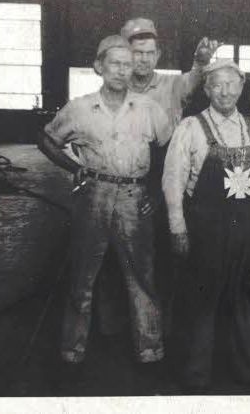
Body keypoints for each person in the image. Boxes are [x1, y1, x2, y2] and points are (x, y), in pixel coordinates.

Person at [37, 35, 171, 368]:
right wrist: (74, 167)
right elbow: (45, 138)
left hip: (134, 196)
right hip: (93, 196)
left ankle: (150, 350)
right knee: (83, 277)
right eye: (115, 63)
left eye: (128, 64)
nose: (122, 71)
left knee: (142, 277)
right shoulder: (80, 107)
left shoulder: (148, 108)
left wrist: (154, 193)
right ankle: (72, 351)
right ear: (99, 67)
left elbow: (169, 149)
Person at [162, 59, 250, 393]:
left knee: (245, 299)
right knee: (204, 300)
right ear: (207, 89)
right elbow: (172, 182)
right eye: (216, 84)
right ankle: (197, 375)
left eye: (231, 84)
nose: (225, 91)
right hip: (206, 231)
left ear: (242, 87)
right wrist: (177, 228)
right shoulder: (190, 128)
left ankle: (249, 370)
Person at [120, 17, 220, 131]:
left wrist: (201, 62)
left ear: (158, 55)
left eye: (150, 53)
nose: (145, 59)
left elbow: (192, 80)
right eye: (138, 52)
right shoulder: (117, 88)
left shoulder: (172, 85)